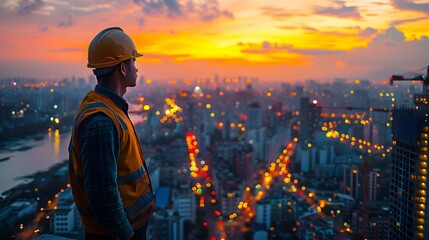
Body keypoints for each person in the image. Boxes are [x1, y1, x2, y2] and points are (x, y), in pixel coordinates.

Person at [68, 27, 155, 240]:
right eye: (133, 61)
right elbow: (102, 193)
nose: (137, 68)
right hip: (115, 235)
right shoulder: (101, 121)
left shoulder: (111, 109)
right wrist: (125, 234)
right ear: (123, 68)